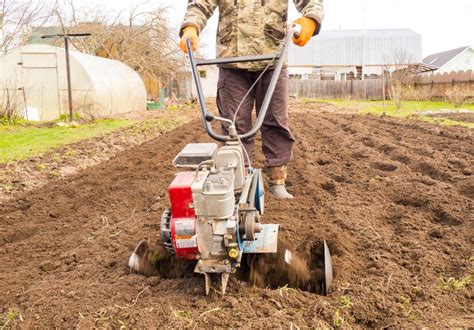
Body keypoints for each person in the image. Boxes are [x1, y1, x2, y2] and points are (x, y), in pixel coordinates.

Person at [179, 0, 324, 199]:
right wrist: (191, 27)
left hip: (272, 57)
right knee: (234, 125)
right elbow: (200, 4)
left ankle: (277, 179)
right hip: (231, 60)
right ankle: (240, 180)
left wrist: (310, 20)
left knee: (275, 121)